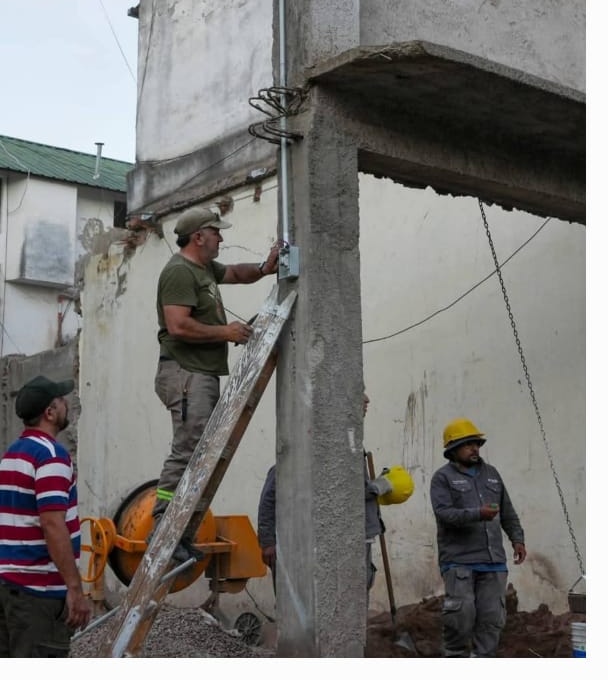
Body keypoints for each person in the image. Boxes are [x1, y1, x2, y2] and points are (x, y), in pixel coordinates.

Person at [152, 206, 281, 561]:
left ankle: (178, 531)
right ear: (198, 237)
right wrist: (225, 332)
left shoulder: (203, 268)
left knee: (198, 450)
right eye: (216, 231)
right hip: (185, 372)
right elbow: (177, 325)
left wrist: (264, 268)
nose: (221, 237)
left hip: (199, 373)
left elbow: (237, 274)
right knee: (188, 448)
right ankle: (163, 529)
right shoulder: (179, 272)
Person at [257, 394, 406, 595]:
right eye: (359, 392)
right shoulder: (319, 440)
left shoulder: (351, 442)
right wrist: (380, 486)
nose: (367, 399)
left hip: (352, 541)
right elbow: (272, 495)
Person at [0, 375, 90, 657]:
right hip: (38, 594)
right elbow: (52, 524)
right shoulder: (51, 456)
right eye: (61, 400)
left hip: (6, 585)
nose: (67, 403)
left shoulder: (13, 453)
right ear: (50, 412)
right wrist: (75, 590)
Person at [431, 418, 526, 659]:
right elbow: (444, 514)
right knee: (460, 618)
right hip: (459, 561)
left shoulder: (492, 474)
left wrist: (517, 539)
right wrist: (478, 514)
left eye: (476, 443)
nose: (474, 448)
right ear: (452, 449)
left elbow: (508, 512)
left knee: (492, 620)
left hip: (493, 561)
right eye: (467, 444)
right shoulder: (442, 478)